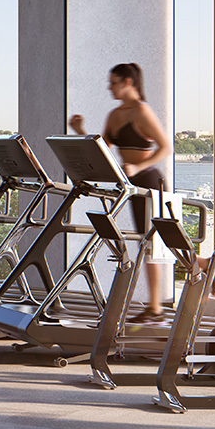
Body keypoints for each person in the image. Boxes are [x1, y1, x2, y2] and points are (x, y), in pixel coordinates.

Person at [69, 62, 173, 321]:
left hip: (150, 182)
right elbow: (103, 148)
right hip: (131, 185)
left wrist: (138, 165)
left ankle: (157, 307)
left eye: (113, 82)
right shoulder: (114, 115)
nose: (109, 87)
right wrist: (81, 132)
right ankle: (164, 300)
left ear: (128, 82)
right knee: (148, 240)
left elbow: (165, 148)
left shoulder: (142, 112)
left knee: (155, 242)